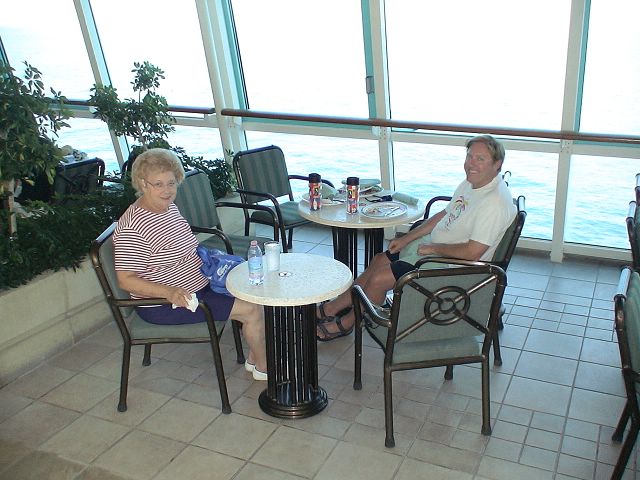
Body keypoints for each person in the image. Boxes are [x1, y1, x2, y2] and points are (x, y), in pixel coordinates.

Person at [317, 134, 517, 341]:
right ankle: (332, 308)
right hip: (434, 249)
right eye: (469, 156)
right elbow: (444, 214)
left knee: (378, 280)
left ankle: (347, 323)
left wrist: (433, 249)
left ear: (497, 164)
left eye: (480, 158)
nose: (471, 164)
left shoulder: (494, 203)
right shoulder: (473, 183)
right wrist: (407, 238)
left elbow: (473, 252)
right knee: (379, 260)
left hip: (453, 267)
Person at [113, 148, 268, 380]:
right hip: (165, 303)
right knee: (251, 309)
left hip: (200, 285)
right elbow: (125, 280)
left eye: (171, 183)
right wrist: (169, 292)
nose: (167, 190)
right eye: (158, 184)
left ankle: (256, 358)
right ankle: (264, 367)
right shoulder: (133, 228)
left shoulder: (168, 208)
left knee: (257, 294)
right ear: (143, 184)